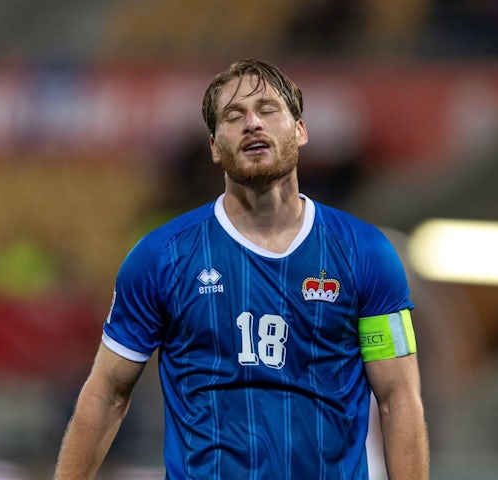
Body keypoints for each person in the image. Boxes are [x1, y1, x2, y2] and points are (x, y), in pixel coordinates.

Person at [54, 59, 429, 479]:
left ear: (300, 130)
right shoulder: (161, 257)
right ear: (215, 147)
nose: (252, 123)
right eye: (234, 117)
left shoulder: (366, 253)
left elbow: (398, 398)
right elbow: (106, 393)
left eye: (268, 110)